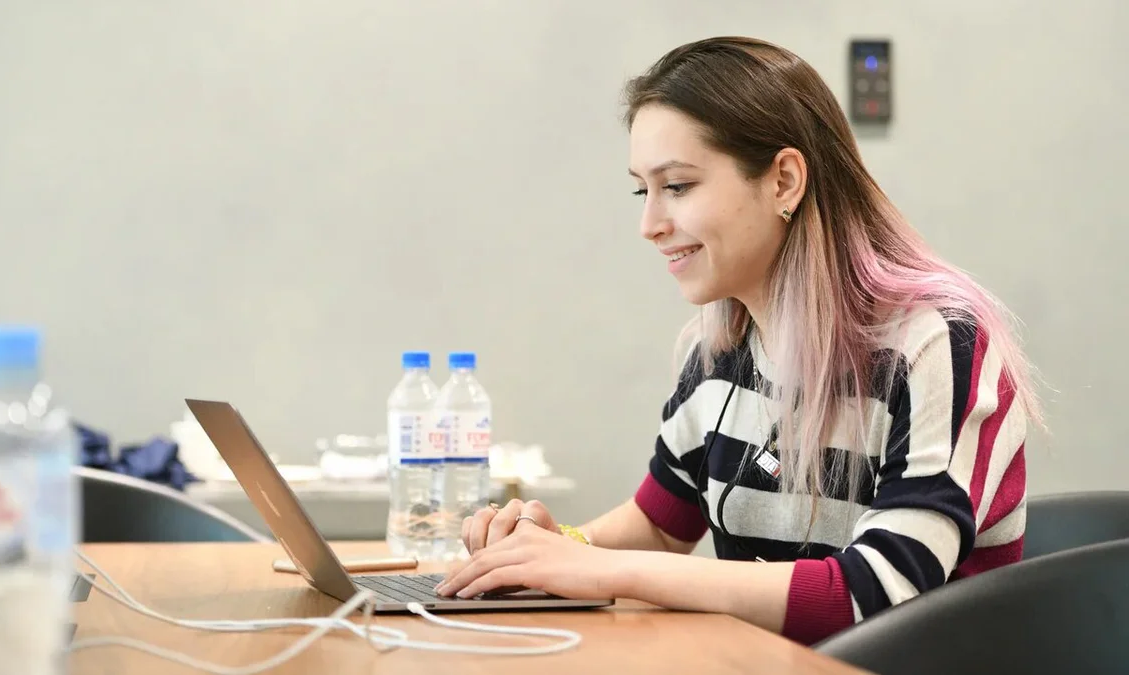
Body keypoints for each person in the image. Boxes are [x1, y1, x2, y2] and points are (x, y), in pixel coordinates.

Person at [435, 36, 1041, 645]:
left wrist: (603, 569)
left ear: (783, 180)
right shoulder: (720, 354)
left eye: (677, 186)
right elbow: (659, 522)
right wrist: (551, 550)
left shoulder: (939, 342)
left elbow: (879, 592)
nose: (649, 226)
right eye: (642, 190)